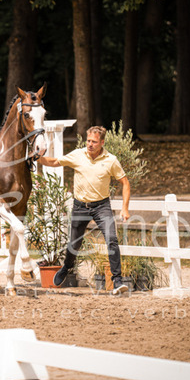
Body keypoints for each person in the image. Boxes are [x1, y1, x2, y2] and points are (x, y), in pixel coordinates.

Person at [38, 126, 131, 295]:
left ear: (102, 142)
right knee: (74, 244)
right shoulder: (78, 155)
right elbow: (54, 162)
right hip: (80, 207)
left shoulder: (111, 160)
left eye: (94, 142)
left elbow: (125, 182)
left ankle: (117, 281)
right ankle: (66, 267)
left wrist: (125, 208)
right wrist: (37, 157)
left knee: (112, 239)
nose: (90, 144)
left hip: (102, 206)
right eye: (88, 141)